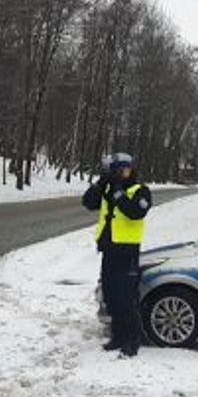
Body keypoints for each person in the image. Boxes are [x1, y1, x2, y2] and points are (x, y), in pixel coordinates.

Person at [82, 152, 152, 357]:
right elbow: (87, 203)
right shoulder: (108, 190)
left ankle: (132, 340)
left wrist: (119, 193)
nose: (124, 173)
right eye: (119, 170)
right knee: (111, 297)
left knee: (127, 299)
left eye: (127, 169)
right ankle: (118, 336)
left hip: (127, 252)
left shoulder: (140, 191)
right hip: (109, 251)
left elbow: (135, 212)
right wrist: (100, 184)